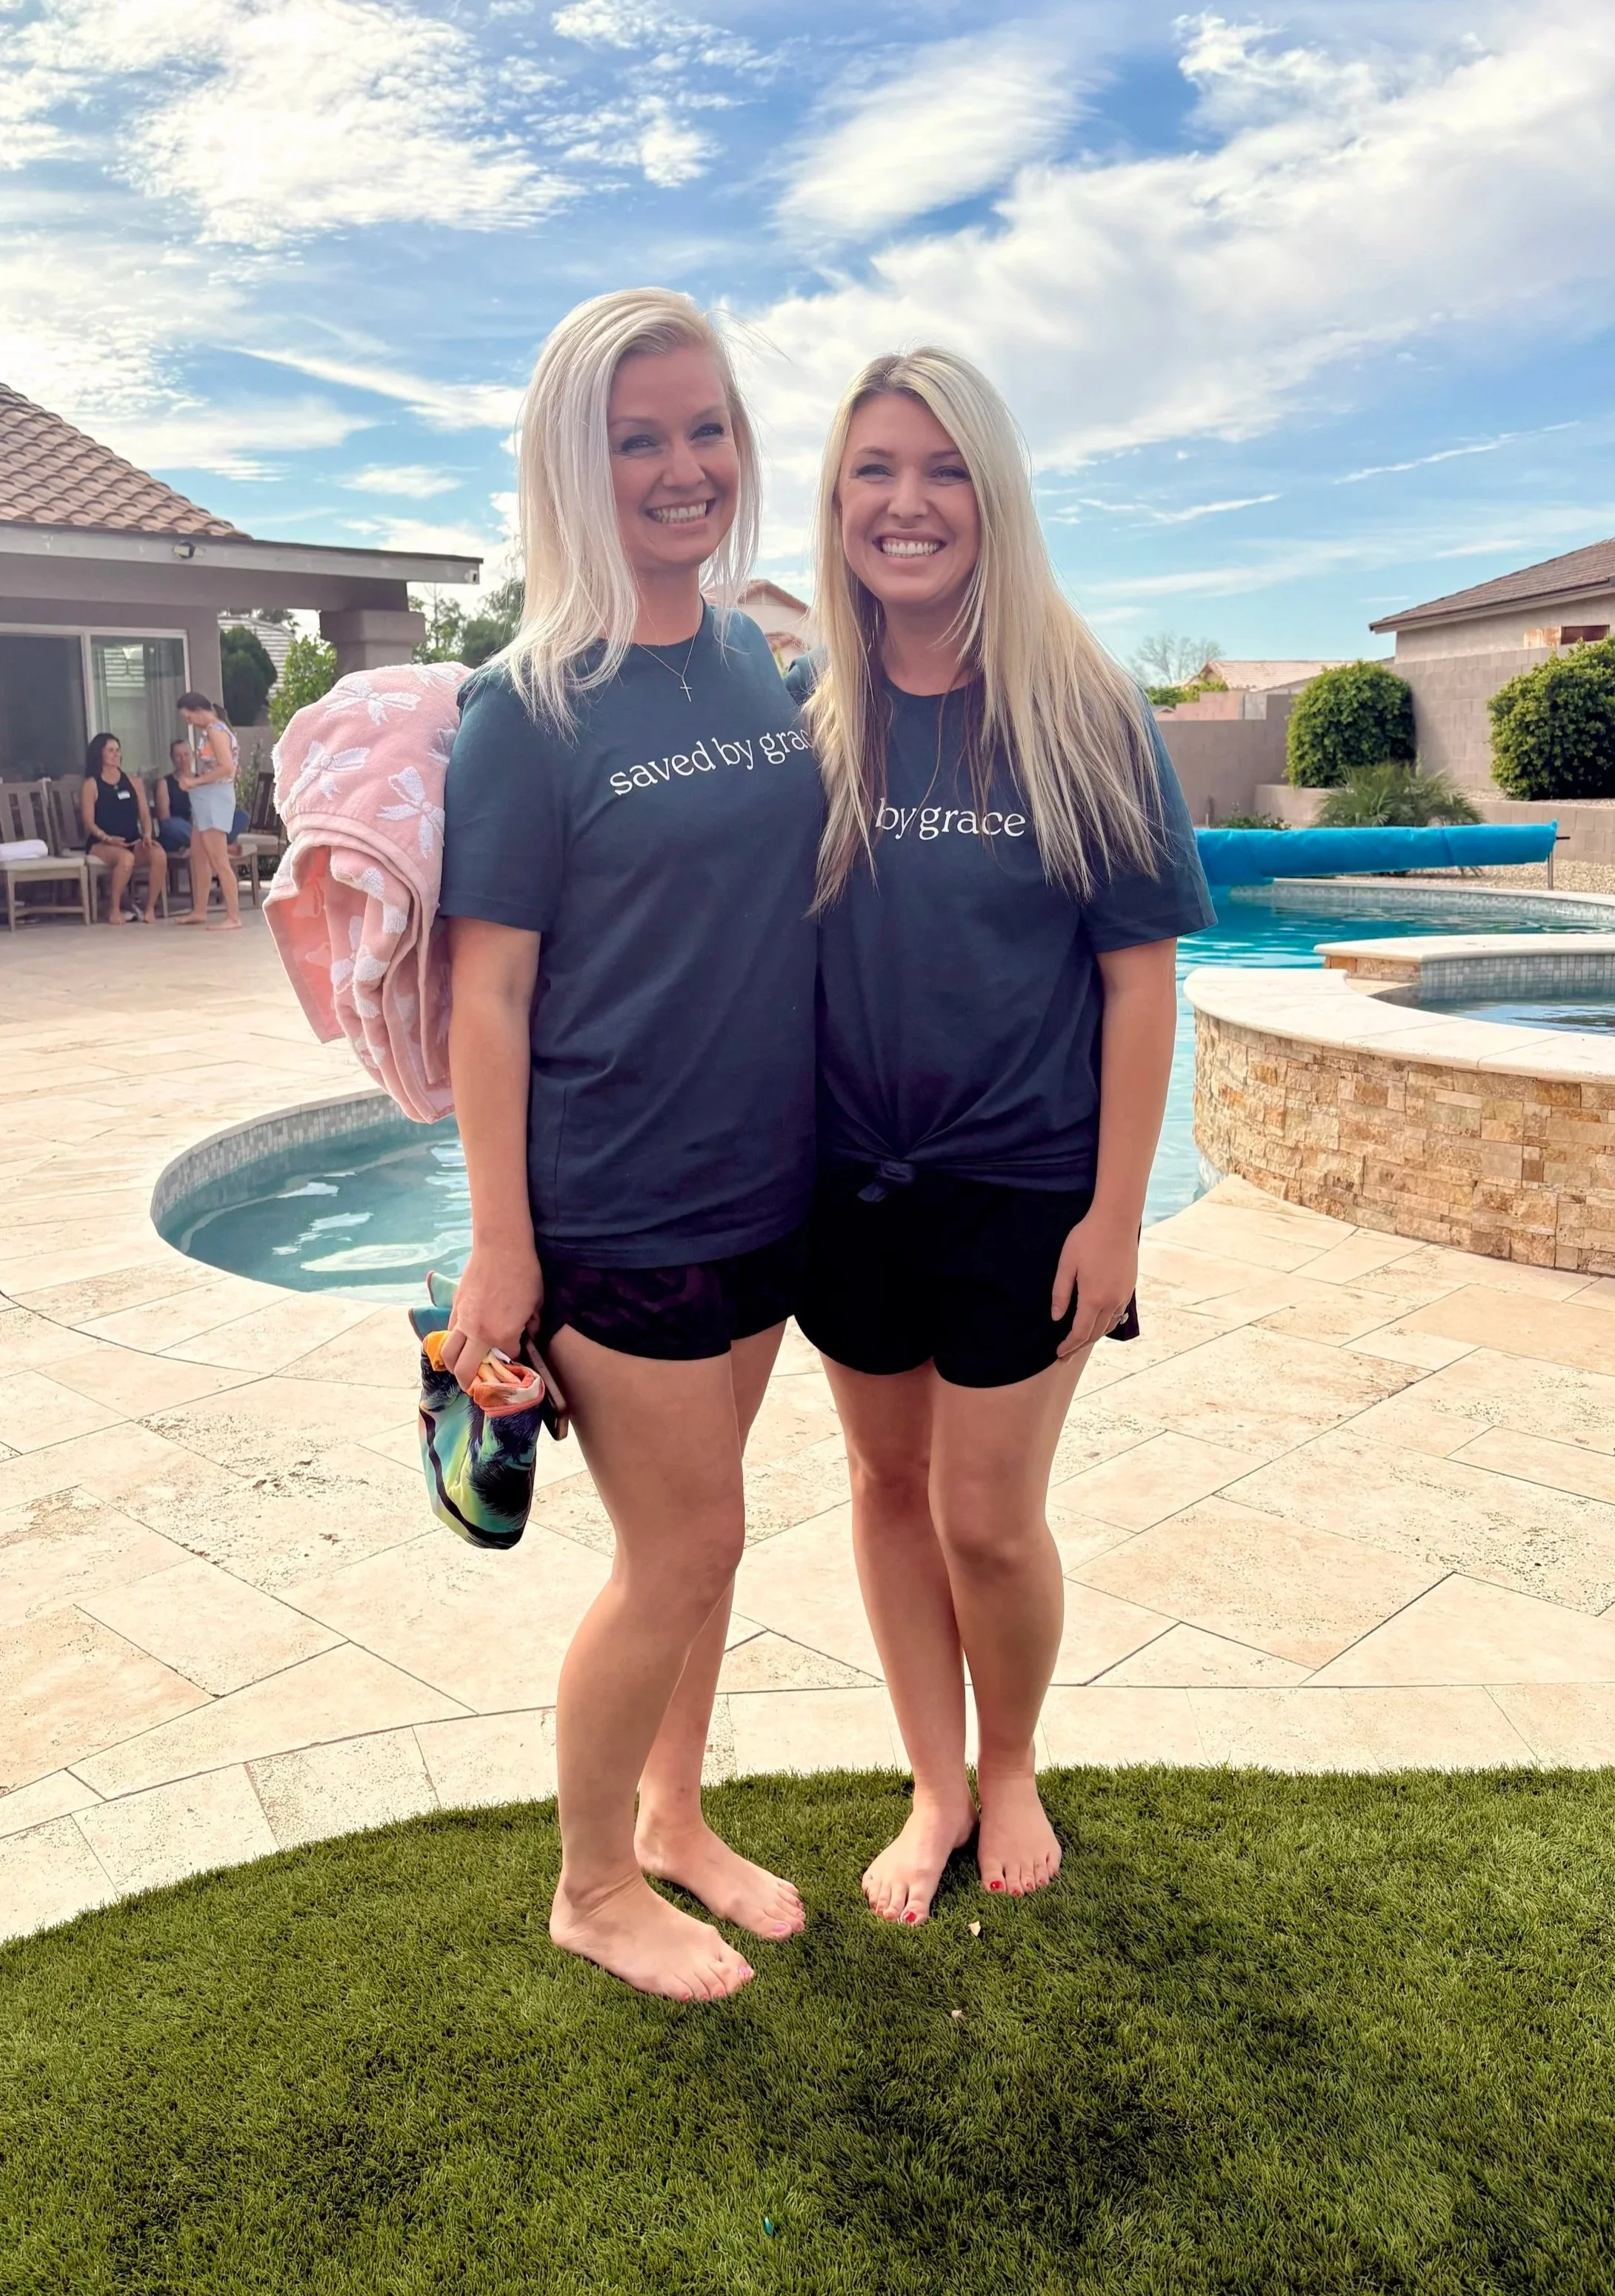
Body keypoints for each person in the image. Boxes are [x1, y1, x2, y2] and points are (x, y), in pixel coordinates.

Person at [789, 349, 1213, 1926]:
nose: (908, 503)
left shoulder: (1079, 705)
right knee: (885, 1486)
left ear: (993, 495)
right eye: (874, 471)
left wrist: (1116, 1215)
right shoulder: (809, 717)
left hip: (1026, 1187)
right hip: (848, 1185)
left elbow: (1138, 976)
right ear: (837, 504)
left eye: (943, 469)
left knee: (987, 1510)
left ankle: (1015, 1755)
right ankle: (934, 1778)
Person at [436, 288, 822, 2000]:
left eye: (704, 428)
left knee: (711, 1529)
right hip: (618, 1201)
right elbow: (489, 993)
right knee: (682, 1548)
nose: (682, 467)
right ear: (572, 468)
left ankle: (674, 1814)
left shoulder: (749, 651)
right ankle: (591, 1883)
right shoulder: (531, 703)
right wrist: (500, 1241)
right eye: (637, 437)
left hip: (763, 1184)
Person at [79, 733, 167, 924]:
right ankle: (115, 909)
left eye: (118, 750)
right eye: (110, 750)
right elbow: (89, 822)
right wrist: (107, 838)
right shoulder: (92, 784)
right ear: (100, 754)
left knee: (158, 854)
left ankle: (150, 908)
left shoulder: (134, 782)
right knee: (126, 859)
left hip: (132, 840)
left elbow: (145, 814)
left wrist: (147, 834)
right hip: (102, 843)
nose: (116, 754)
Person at [174, 693, 242, 929]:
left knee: (219, 860)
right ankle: (200, 910)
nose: (189, 721)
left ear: (197, 710)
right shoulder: (212, 732)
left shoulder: (216, 731)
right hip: (205, 800)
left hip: (214, 799)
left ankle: (233, 917)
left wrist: (195, 782)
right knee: (199, 856)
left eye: (189, 716)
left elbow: (226, 767)